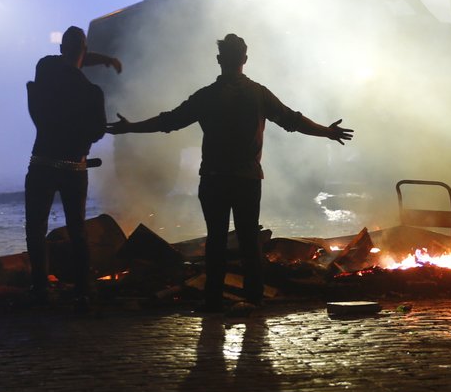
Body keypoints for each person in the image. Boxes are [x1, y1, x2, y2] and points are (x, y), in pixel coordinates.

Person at [106, 33, 353, 312]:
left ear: (219, 60)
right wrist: (327, 132)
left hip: (213, 178)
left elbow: (169, 121)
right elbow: (292, 120)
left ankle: (212, 299)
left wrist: (131, 127)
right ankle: (254, 298)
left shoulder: (206, 96)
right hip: (248, 179)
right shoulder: (259, 94)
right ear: (244, 60)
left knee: (216, 239)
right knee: (249, 240)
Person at [25, 26, 121, 309]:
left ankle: (40, 287)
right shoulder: (91, 93)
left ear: (61, 49)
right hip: (74, 169)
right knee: (78, 229)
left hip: (41, 163)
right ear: (85, 50)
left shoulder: (45, 69)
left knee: (35, 227)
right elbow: (97, 131)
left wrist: (102, 58)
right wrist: (107, 60)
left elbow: (70, 59)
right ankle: (82, 287)